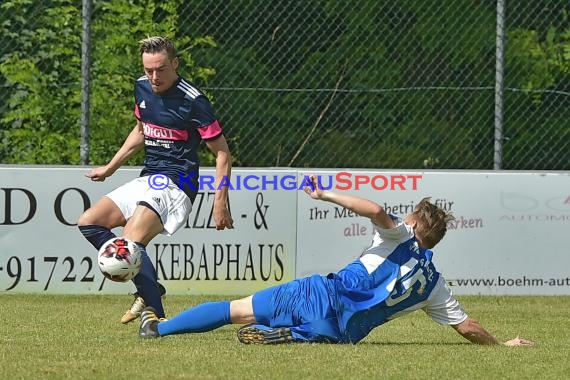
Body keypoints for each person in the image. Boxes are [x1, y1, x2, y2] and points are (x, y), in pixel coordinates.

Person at [137, 175, 534, 347]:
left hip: (320, 294)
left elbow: (376, 209)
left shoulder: (398, 234)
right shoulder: (434, 285)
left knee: (235, 310)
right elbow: (467, 327)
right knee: (327, 326)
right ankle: (298, 335)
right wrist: (503, 345)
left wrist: (326, 195)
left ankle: (161, 329)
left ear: (412, 224)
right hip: (345, 331)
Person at [77, 36, 233, 324]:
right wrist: (110, 167)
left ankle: (154, 312)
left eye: (160, 69)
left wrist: (220, 201)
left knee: (129, 244)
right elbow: (140, 130)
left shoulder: (193, 101)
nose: (153, 76)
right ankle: (151, 289)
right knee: (89, 222)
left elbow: (222, 153)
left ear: (175, 63)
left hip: (177, 183)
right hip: (149, 177)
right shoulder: (141, 87)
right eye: (148, 70)